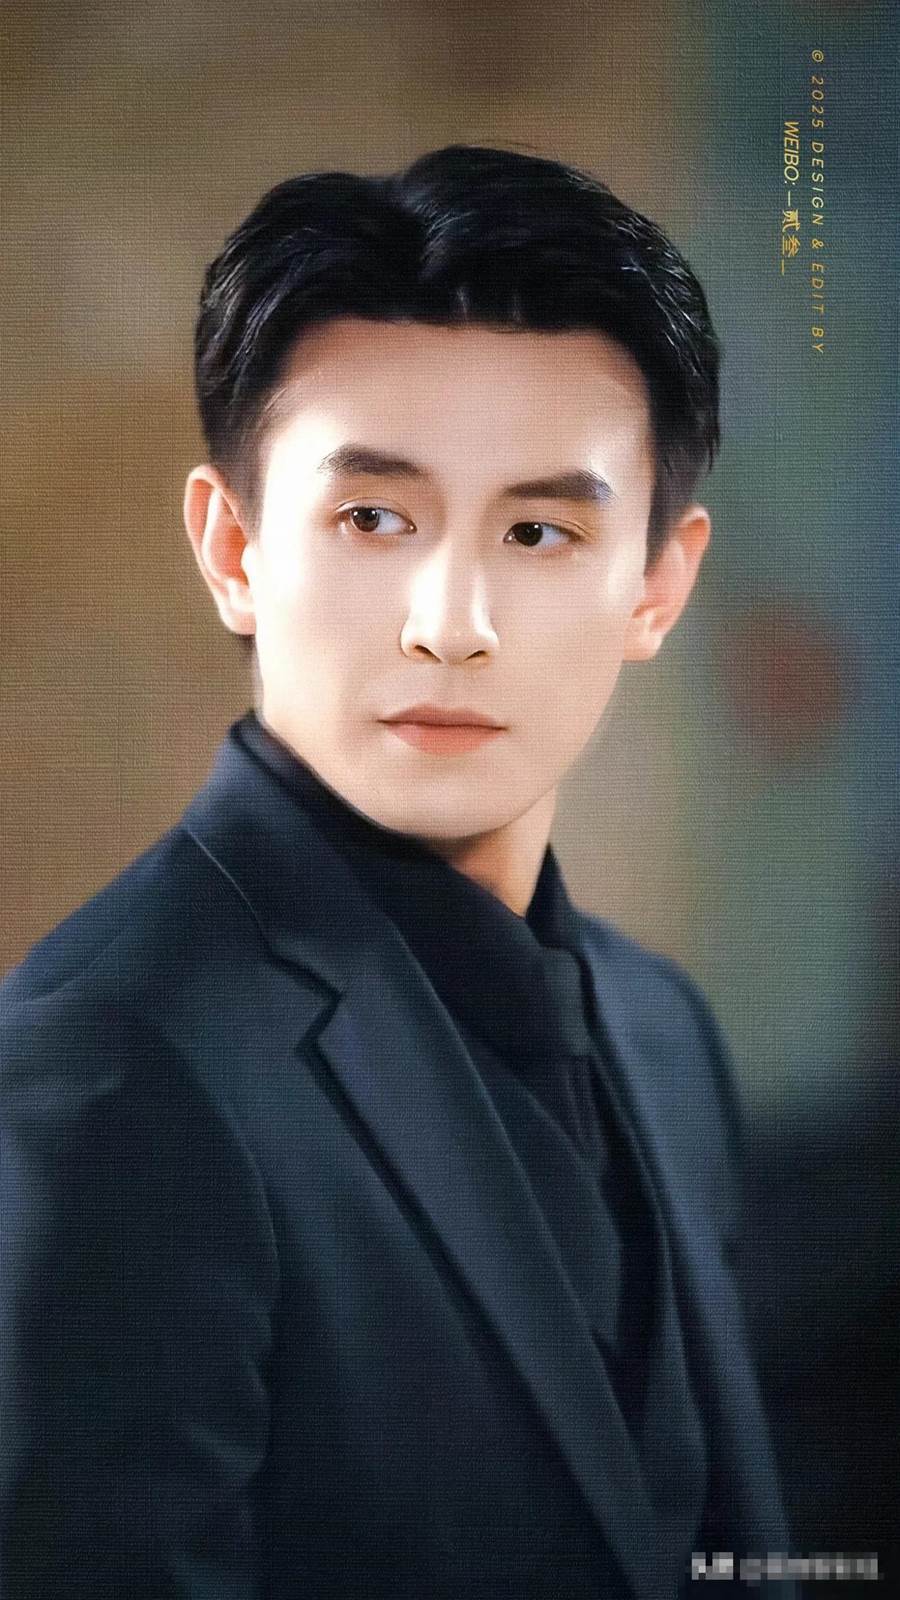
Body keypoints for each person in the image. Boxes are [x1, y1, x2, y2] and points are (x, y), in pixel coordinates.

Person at [0, 144, 797, 1598]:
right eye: (373, 518)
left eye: (540, 530)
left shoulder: (663, 1029)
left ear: (658, 586)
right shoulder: (110, 1067)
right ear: (234, 549)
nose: (451, 621)